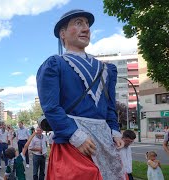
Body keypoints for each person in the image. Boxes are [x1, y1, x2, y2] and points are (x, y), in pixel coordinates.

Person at [36, 9, 125, 179]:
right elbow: (51, 107)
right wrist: (75, 135)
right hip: (74, 143)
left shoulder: (107, 69)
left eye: (87, 24)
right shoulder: (55, 64)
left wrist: (114, 130)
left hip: (106, 143)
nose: (85, 28)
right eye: (78, 23)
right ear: (63, 33)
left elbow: (110, 106)